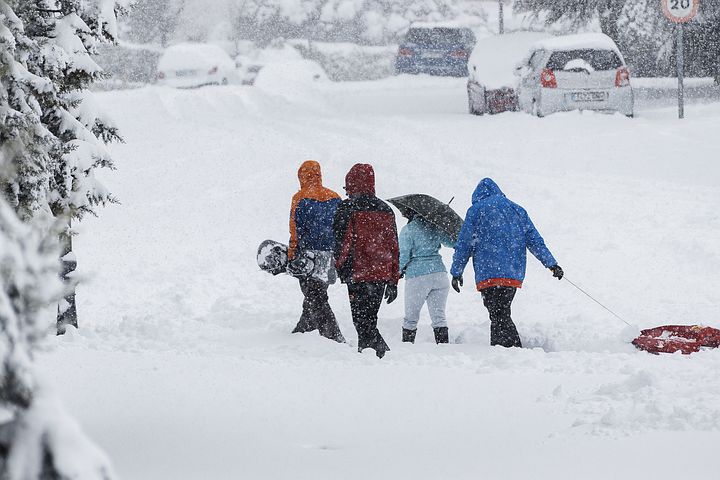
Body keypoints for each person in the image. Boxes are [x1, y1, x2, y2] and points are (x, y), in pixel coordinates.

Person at [449, 178, 563, 348]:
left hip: (487, 272)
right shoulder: (517, 210)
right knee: (500, 312)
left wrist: (457, 271)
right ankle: (504, 349)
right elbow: (534, 240)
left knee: (498, 314)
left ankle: (509, 349)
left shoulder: (475, 211)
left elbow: (464, 244)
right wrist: (551, 264)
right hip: (512, 272)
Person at [333, 163, 399, 358]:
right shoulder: (386, 210)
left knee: (362, 322)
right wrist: (394, 280)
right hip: (381, 274)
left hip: (358, 273)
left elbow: (342, 243)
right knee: (369, 319)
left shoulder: (347, 208)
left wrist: (338, 267)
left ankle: (380, 356)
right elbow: (394, 246)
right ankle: (369, 357)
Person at [288, 160, 345, 343]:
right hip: (330, 255)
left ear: (302, 176)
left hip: (308, 255)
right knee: (316, 292)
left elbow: (295, 229)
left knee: (316, 296)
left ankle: (333, 336)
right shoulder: (335, 197)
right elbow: (342, 227)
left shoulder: (300, 197)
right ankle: (304, 328)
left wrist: (292, 253)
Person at [398, 211, 454, 344]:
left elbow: (403, 255)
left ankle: (407, 347)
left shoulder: (408, 229)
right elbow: (453, 242)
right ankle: (443, 347)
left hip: (418, 277)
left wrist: (398, 271)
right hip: (439, 274)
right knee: (439, 317)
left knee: (411, 318)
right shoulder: (435, 226)